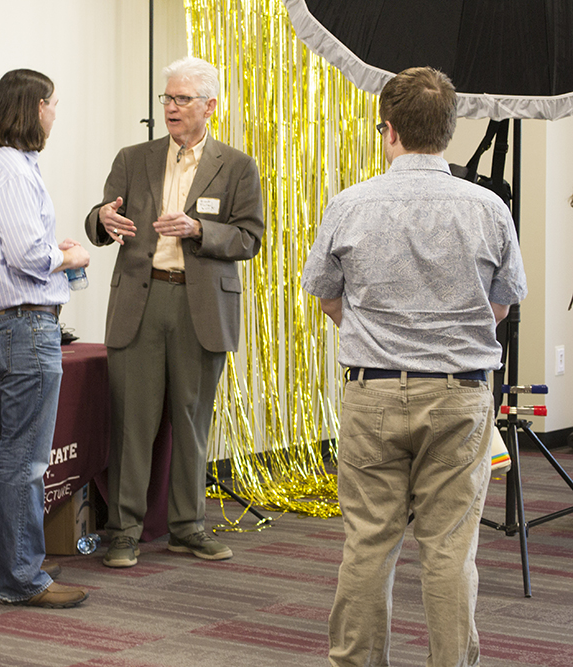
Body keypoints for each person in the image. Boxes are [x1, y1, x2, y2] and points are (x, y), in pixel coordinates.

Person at [301, 67, 527, 667]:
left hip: (372, 394)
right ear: (449, 132)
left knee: (367, 545)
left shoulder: (349, 205)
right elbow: (501, 303)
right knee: (451, 549)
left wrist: (378, 337)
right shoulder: (489, 208)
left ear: (389, 130)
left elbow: (326, 294)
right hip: (460, 397)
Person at [85, 57, 264, 568]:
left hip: (198, 303)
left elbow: (250, 237)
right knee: (132, 422)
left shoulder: (237, 166)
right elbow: (101, 219)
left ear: (210, 106)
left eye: (182, 99)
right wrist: (103, 219)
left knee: (191, 420)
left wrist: (199, 231)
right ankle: (122, 531)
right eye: (166, 98)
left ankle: (188, 526)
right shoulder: (132, 157)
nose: (170, 107)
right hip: (140, 301)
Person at [0, 68, 91, 608]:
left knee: (0, 454)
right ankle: (23, 577)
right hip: (25, 325)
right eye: (55, 104)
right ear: (36, 106)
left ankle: (4, 561)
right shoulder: (12, 171)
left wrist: (49, 253)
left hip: (2, 323)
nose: (57, 113)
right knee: (24, 459)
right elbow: (30, 257)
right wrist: (72, 256)